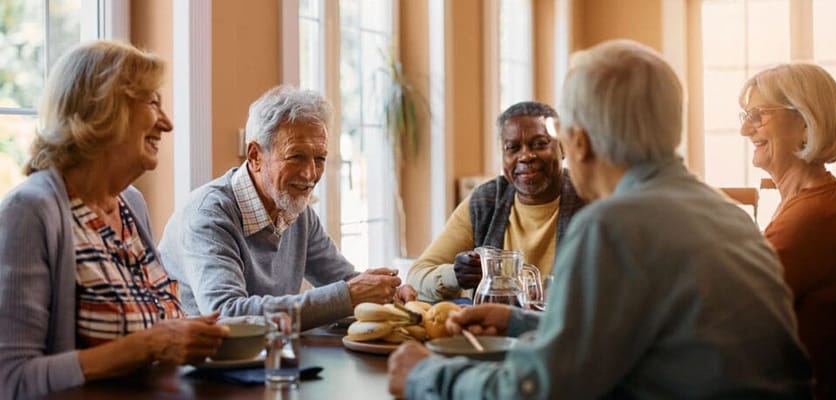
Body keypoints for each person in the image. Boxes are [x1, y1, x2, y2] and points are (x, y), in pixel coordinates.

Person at [388, 39, 813, 399]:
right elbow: (646, 337)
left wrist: (427, 375)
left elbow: (540, 388)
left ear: (579, 142)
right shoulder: (728, 214)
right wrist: (518, 320)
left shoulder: (612, 227)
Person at [0, 40, 229, 399]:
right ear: (104, 108)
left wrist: (184, 338)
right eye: (153, 103)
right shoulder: (30, 211)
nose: (167, 124)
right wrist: (149, 346)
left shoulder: (131, 204)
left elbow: (156, 333)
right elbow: (12, 380)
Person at [158, 84, 416, 330]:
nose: (310, 174)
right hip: (194, 369)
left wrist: (387, 292)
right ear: (255, 156)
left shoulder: (297, 210)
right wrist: (348, 295)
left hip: (266, 358)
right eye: (296, 156)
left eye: (320, 158)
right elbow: (228, 314)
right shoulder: (208, 216)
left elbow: (343, 280)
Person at [738, 63, 836, 399]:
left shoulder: (815, 216)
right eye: (745, 114)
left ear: (804, 122)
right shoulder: (816, 200)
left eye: (758, 115)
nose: (745, 129)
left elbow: (732, 314)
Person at [407, 101, 584, 302]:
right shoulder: (485, 202)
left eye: (540, 144)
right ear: (503, 156)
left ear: (562, 148)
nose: (525, 156)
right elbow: (416, 277)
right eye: (513, 148)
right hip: (493, 330)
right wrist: (455, 276)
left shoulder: (590, 198)